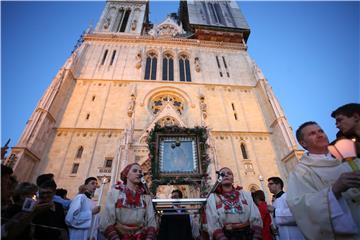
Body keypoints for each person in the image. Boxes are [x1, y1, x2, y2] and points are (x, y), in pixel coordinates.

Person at [287, 121, 360, 240]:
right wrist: (334, 190)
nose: (320, 135)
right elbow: (299, 206)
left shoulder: (349, 160)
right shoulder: (300, 173)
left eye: (321, 131)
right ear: (303, 143)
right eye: (312, 133)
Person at [99, 163, 157, 240]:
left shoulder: (146, 197)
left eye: (140, 172)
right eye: (135, 171)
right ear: (126, 174)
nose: (138, 173)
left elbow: (151, 220)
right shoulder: (115, 193)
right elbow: (106, 219)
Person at [205, 167, 263, 240]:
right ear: (219, 179)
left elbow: (255, 216)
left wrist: (256, 237)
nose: (226, 175)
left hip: (247, 235)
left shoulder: (246, 195)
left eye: (229, 174)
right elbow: (212, 221)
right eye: (222, 174)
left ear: (233, 178)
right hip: (225, 235)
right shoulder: (213, 198)